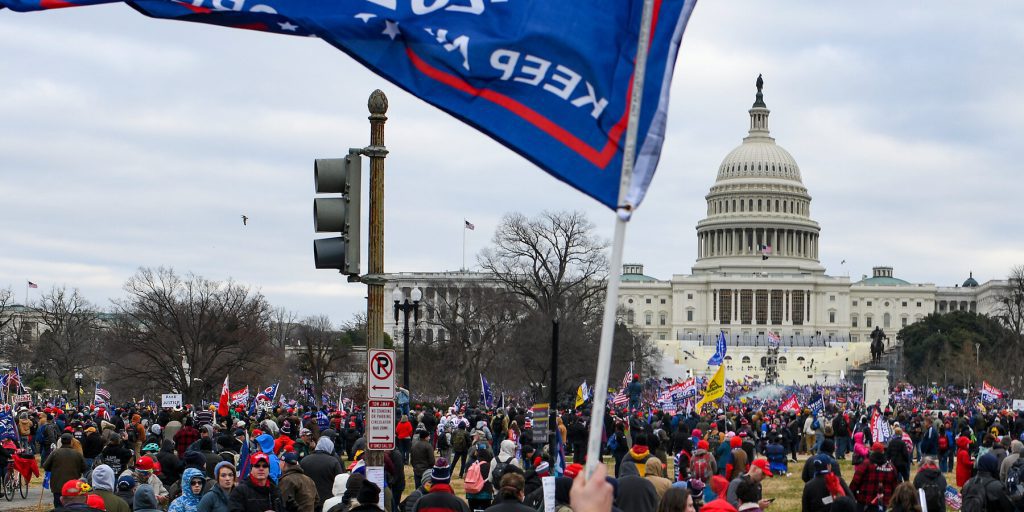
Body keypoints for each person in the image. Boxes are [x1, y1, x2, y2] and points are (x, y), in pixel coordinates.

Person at [849, 442, 898, 512]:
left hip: (865, 504)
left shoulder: (865, 464)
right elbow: (895, 488)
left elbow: (854, 483)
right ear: (883, 451)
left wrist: (857, 497)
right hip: (885, 505)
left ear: (872, 451)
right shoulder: (891, 467)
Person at [299, 436, 343, 512]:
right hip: (327, 500)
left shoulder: (304, 460)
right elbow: (340, 480)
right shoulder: (333, 461)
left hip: (308, 500)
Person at [44, 433, 88, 508]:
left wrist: (54, 469)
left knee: (58, 506)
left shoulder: (55, 453)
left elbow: (46, 466)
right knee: (72, 506)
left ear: (61, 441)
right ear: (71, 441)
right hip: (73, 486)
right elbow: (84, 468)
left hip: (57, 486)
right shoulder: (77, 453)